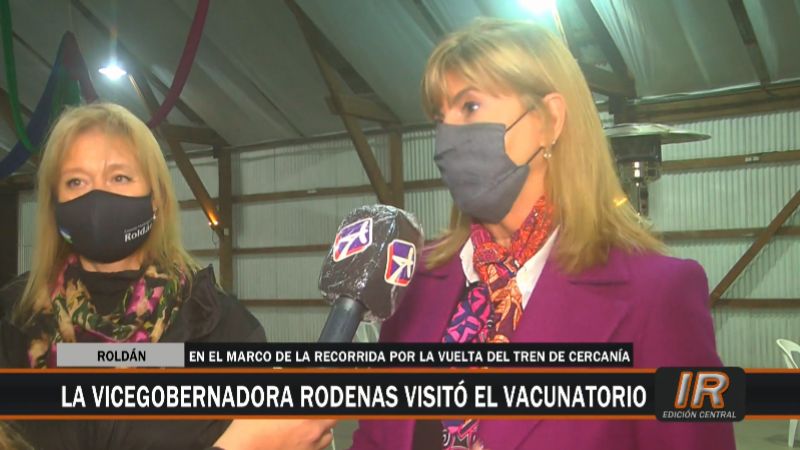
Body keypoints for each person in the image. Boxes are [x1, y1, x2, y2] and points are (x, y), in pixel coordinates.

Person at [351, 18, 736, 450]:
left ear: (550, 119)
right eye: (440, 118)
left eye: (470, 107)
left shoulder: (658, 294)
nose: (445, 141)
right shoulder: (415, 280)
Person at [0, 103, 334, 450]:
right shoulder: (14, 321)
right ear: (54, 203)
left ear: (155, 197)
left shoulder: (220, 326)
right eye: (76, 181)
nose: (97, 196)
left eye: (119, 177)